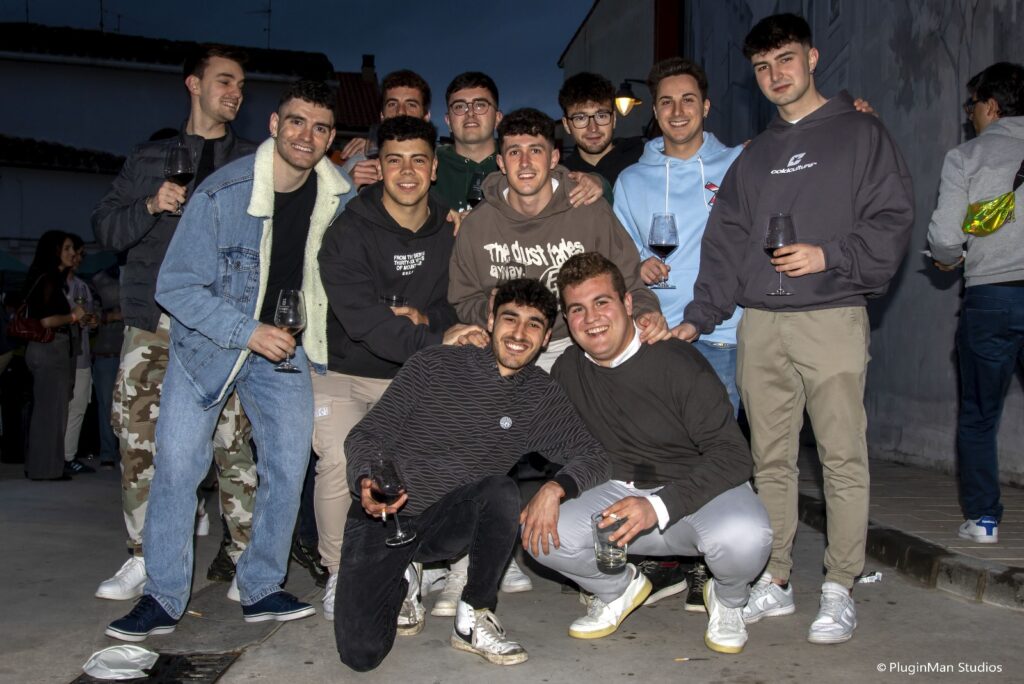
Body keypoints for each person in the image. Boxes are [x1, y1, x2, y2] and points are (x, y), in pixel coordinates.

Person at [679, 13, 914, 645]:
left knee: (842, 456)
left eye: (785, 59)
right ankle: (776, 579)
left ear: (811, 58)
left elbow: (893, 218)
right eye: (761, 66)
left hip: (831, 315)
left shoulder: (861, 132)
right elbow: (725, 241)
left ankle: (839, 585)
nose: (774, 75)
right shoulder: (754, 157)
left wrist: (829, 254)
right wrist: (700, 316)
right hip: (761, 324)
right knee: (770, 461)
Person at [104, 79, 355, 641]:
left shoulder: (339, 199)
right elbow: (174, 286)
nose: (306, 135)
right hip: (209, 344)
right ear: (274, 124)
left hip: (284, 348)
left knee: (287, 466)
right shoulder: (223, 192)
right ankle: (163, 597)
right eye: (296, 122)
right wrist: (248, 331)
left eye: (319, 127)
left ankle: (260, 586)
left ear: (331, 138)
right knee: (178, 468)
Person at [334, 278, 610, 671]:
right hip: (386, 515)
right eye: (510, 319)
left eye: (533, 324)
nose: (519, 334)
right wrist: (368, 478)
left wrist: (554, 488)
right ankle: (404, 578)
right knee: (361, 655)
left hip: (446, 522)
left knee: (501, 491)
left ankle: (473, 615)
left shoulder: (539, 394)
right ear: (490, 321)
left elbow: (594, 456)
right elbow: (367, 435)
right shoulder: (434, 365)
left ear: (547, 337)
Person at [525, 252, 770, 654]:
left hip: (696, 496)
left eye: (602, 302)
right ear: (567, 319)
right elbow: (568, 447)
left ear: (627, 304)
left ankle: (728, 600)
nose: (591, 318)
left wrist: (656, 506)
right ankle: (618, 590)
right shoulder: (568, 369)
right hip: (618, 497)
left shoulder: (676, 361)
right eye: (577, 309)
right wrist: (556, 486)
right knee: (541, 532)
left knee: (747, 535)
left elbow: (733, 456)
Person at [92, 44, 259, 602]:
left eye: (241, 86)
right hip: (154, 321)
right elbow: (105, 227)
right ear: (194, 84)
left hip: (220, 323)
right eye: (225, 81)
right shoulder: (149, 157)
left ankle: (247, 560)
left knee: (232, 443)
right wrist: (150, 204)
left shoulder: (253, 161)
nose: (235, 93)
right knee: (139, 440)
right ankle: (146, 556)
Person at [314, 114, 484, 619]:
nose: (407, 172)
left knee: (447, 456)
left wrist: (430, 320)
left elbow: (462, 303)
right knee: (341, 460)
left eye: (418, 160)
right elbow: (364, 322)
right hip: (346, 372)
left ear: (434, 169)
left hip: (418, 375)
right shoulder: (347, 232)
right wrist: (434, 336)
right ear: (379, 167)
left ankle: (430, 563)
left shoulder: (452, 231)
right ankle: (340, 573)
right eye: (394, 161)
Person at [448, 106, 669, 372]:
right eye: (514, 152)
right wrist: (489, 310)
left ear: (553, 158)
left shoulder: (589, 210)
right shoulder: (477, 224)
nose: (525, 163)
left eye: (535, 151)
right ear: (501, 162)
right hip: (508, 344)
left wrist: (646, 313)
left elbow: (629, 281)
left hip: (578, 342)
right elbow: (463, 297)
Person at [927, 61, 1024, 545]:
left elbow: (946, 238)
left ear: (990, 105)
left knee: (980, 414)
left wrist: (950, 258)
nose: (970, 116)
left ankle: (984, 520)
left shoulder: (967, 157)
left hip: (992, 297)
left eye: (971, 106)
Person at [614, 56, 744, 414]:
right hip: (656, 335)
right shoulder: (631, 180)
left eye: (688, 99)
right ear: (655, 111)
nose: (677, 111)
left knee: (717, 440)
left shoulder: (738, 164)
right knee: (660, 439)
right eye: (666, 102)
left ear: (705, 106)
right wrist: (638, 265)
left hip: (723, 335)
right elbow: (619, 255)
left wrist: (852, 115)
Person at [436, 72, 604, 213]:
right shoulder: (429, 167)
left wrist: (598, 182)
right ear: (448, 120)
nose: (470, 113)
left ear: (498, 118)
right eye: (459, 107)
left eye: (480, 105)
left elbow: (570, 182)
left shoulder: (526, 162)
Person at [21, 231, 86, 481]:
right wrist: (73, 316)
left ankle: (42, 466)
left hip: (46, 350)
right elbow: (46, 320)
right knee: (51, 412)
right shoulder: (48, 279)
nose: (73, 253)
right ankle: (46, 469)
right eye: (67, 248)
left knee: (48, 411)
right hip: (49, 350)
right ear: (55, 251)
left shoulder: (49, 278)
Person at [340, 69, 433, 188]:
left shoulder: (441, 163)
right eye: (392, 104)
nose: (400, 111)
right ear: (382, 117)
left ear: (426, 117)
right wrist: (349, 187)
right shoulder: (360, 164)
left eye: (411, 105)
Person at [559, 72, 646, 187]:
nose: (593, 128)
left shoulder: (644, 160)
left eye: (601, 116)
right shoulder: (562, 179)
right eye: (580, 118)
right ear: (566, 125)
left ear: (614, 119)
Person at [62, 235, 99, 475]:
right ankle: (54, 455)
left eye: (80, 254)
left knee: (78, 407)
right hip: (59, 355)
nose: (77, 258)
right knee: (57, 407)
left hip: (82, 354)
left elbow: (91, 318)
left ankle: (68, 456)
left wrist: (93, 322)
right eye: (74, 252)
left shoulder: (82, 287)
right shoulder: (53, 284)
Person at [90, 264, 124, 469]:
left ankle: (123, 452)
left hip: (127, 353)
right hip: (107, 355)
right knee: (107, 407)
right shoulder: (99, 282)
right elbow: (89, 317)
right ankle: (108, 454)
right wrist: (112, 316)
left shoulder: (137, 278)